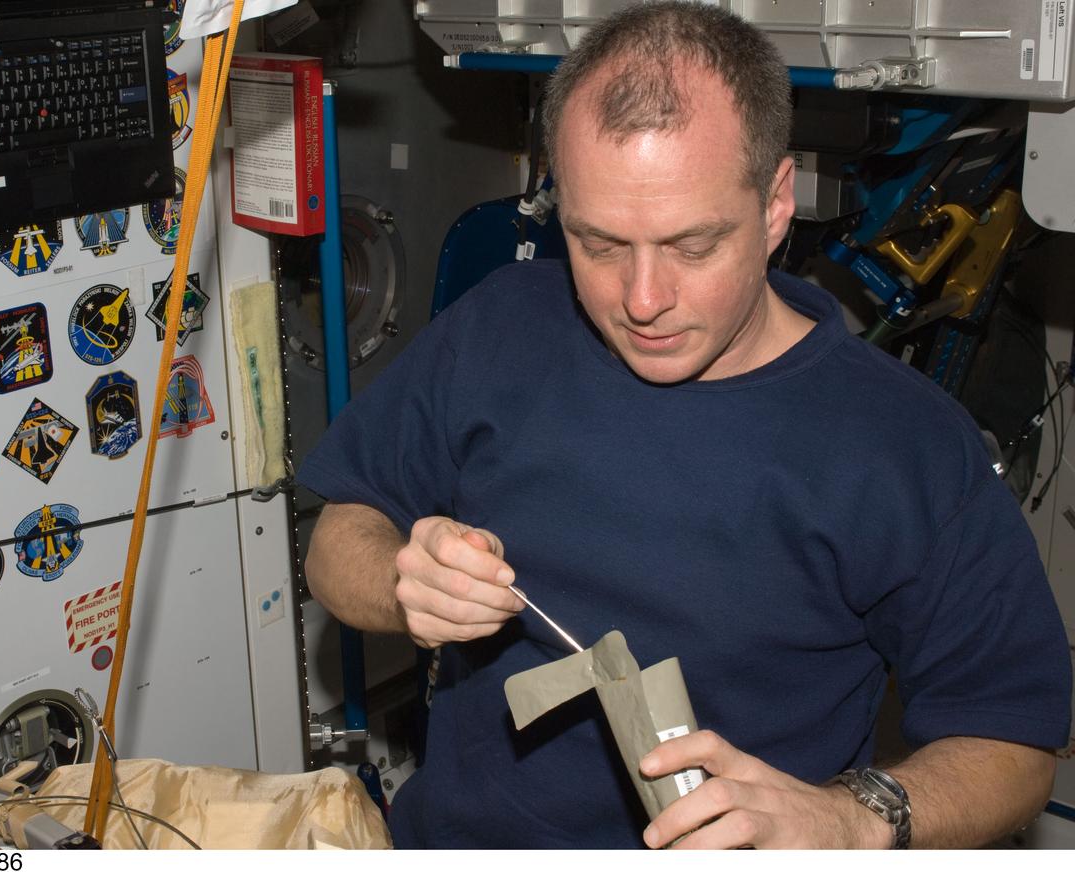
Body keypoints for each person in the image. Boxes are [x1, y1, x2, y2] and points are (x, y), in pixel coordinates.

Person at [299, 1, 1072, 849]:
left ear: (776, 204)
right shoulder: (499, 327)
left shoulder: (904, 445)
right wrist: (403, 584)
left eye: (692, 246)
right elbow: (340, 537)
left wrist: (853, 818)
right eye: (599, 244)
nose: (642, 300)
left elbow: (1015, 748)